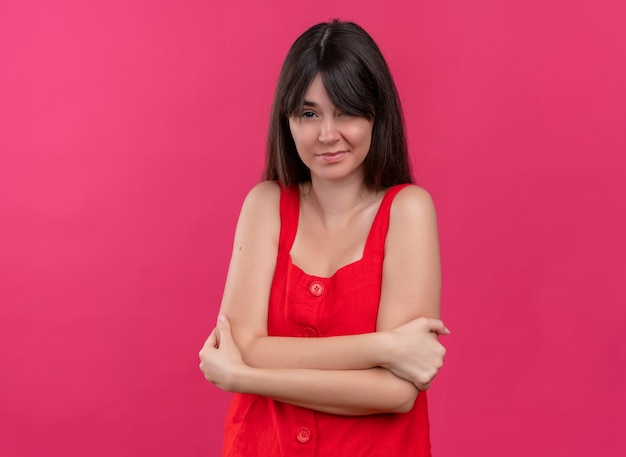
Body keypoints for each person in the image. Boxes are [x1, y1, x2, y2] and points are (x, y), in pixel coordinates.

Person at [199, 19, 449, 456]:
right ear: (288, 119)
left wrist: (245, 377)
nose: (327, 135)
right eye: (309, 113)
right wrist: (384, 346)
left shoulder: (408, 211)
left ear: (377, 114)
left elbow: (395, 392)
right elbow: (242, 345)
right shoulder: (265, 205)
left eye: (346, 111)